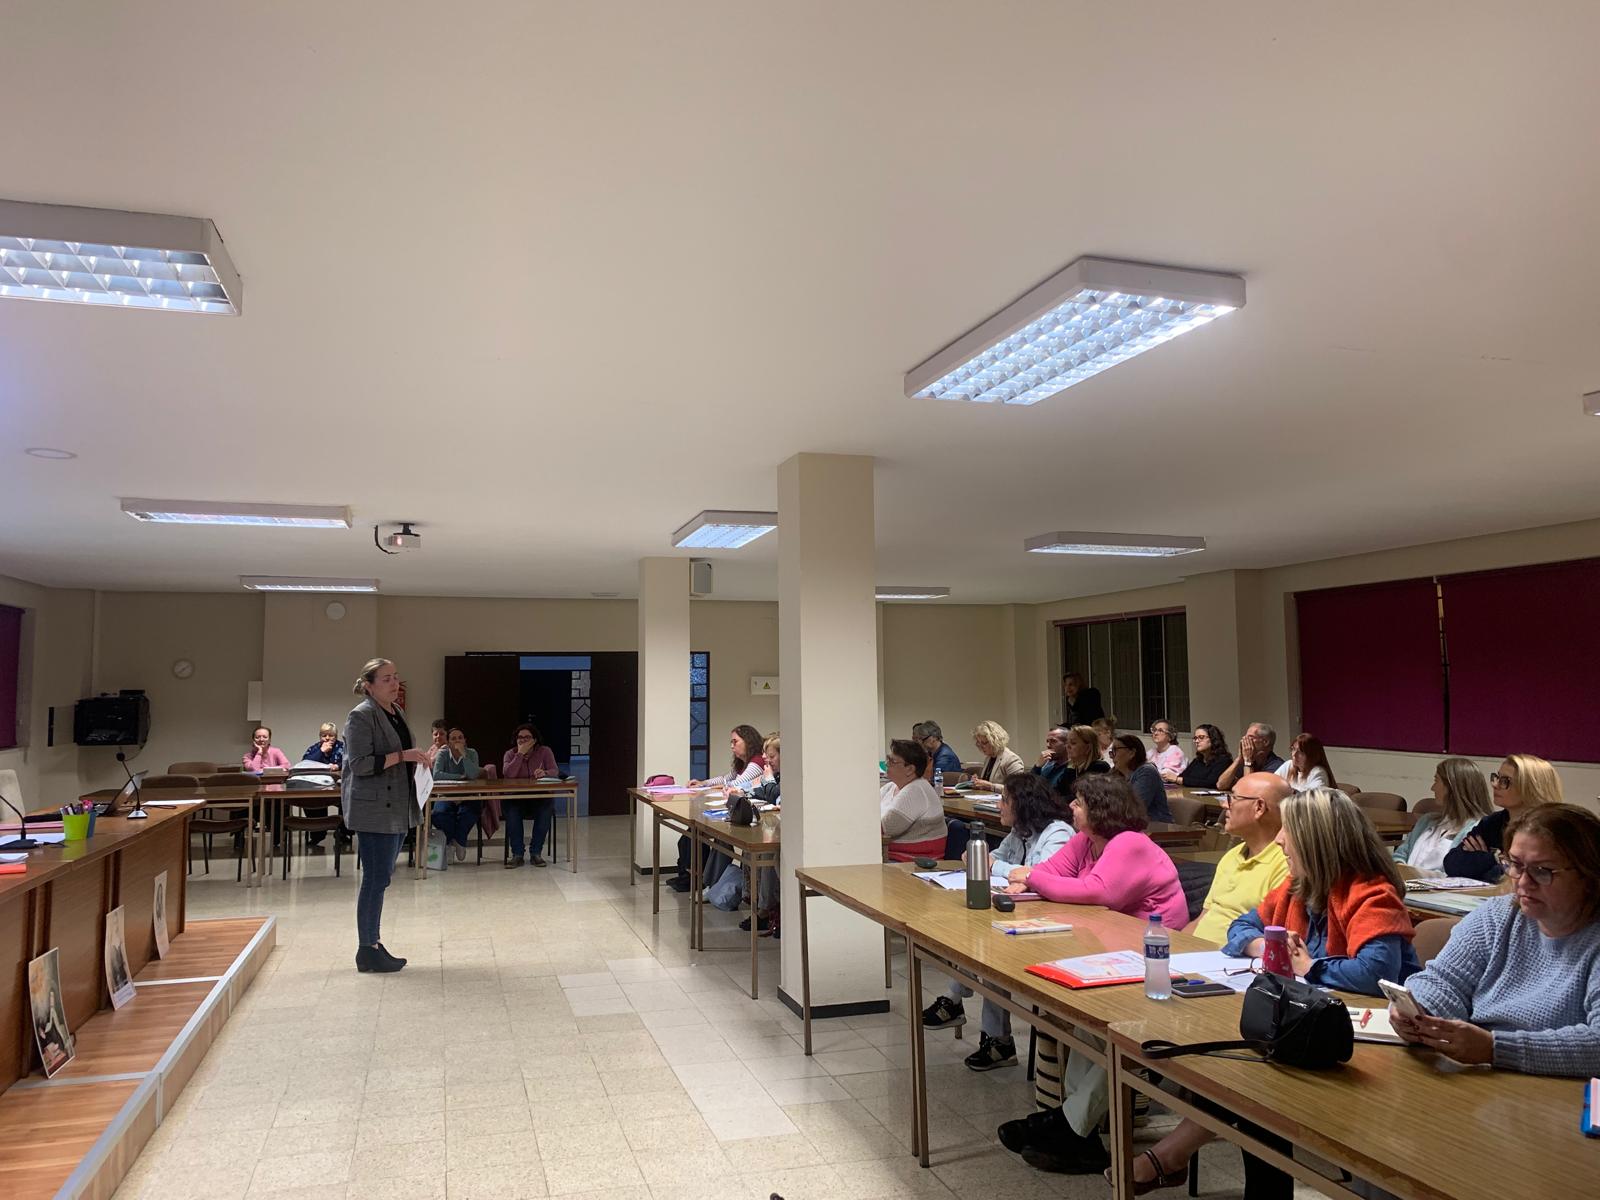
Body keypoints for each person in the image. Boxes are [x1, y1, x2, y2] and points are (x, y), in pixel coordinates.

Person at [1129, 788, 1419, 1194]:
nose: (1280, 840)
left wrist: (1310, 966)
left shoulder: (1371, 893)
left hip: (1373, 1041)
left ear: (1316, 841)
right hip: (1312, 1024)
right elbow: (1241, 927)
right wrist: (1262, 944)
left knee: (1253, 1070)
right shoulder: (1297, 887)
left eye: (1289, 832)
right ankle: (1191, 1165)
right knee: (1251, 1064)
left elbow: (1373, 973)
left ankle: (1173, 1159)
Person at [996, 774, 1187, 1174]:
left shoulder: (1130, 843)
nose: (1071, 808)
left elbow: (1097, 891)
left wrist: (1033, 878)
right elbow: (1049, 870)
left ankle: (1069, 1126)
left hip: (1155, 960)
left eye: (1079, 802)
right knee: (1086, 1028)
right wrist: (1037, 877)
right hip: (1109, 950)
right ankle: (1074, 1126)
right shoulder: (1086, 841)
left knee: (1117, 1035)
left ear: (1101, 809)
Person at [1394, 802, 1600, 1076]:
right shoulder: (1498, 915)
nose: (1522, 883)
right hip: (1480, 1073)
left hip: (1559, 1090)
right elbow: (1442, 981)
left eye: (1542, 871)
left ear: (1588, 874)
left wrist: (1495, 1048)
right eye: (1514, 864)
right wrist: (1418, 1012)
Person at [921, 773, 1073, 1070]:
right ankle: (992, 1036)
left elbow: (1037, 875)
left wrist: (995, 865)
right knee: (980, 942)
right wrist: (978, 858)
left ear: (1024, 804)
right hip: (1021, 914)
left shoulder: (1058, 833)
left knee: (989, 947)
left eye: (1005, 800)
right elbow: (998, 859)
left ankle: (960, 1007)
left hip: (1052, 924)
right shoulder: (1020, 831)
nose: (999, 806)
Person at [343, 657, 433, 974]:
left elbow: (401, 755)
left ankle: (373, 944)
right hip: (373, 809)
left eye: (396, 677)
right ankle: (367, 949)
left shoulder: (395, 712)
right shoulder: (361, 715)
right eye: (386, 679)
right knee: (375, 879)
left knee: (382, 878)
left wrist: (419, 759)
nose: (395, 683)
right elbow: (360, 764)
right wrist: (403, 756)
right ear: (369, 686)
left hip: (396, 806)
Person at [1191, 773, 1290, 943]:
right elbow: (1204, 917)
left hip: (1233, 955)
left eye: (1233, 798)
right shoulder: (1232, 855)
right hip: (1195, 951)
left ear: (1259, 807)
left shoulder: (1286, 864)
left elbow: (1273, 938)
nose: (1224, 805)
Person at [1443, 753, 1565, 881]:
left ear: (1531, 788)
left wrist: (1481, 864)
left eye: (1505, 781)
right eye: (1497, 777)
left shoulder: (1549, 829)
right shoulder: (1492, 822)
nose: (1495, 785)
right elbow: (1451, 864)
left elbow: (1518, 876)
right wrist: (1495, 857)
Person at [676, 725, 768, 892]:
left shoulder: (756, 762)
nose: (732, 746)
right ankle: (702, 879)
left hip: (753, 818)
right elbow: (726, 778)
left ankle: (706, 881)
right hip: (737, 811)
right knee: (698, 834)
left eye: (735, 742)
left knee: (718, 837)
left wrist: (715, 786)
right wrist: (703, 783)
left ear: (748, 741)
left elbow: (735, 784)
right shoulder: (742, 763)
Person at [1392, 757, 1496, 876]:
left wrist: (1414, 875)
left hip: (1437, 887)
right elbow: (1400, 855)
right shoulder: (1426, 821)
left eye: (1436, 781)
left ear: (1453, 787)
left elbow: (1459, 875)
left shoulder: (1476, 830)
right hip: (1405, 883)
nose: (1432, 788)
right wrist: (1400, 869)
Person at [502, 723, 559, 868]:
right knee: (511, 810)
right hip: (516, 796)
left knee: (546, 806)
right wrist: (520, 754)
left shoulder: (545, 751)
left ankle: (536, 853)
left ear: (534, 740)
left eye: (527, 737)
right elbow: (508, 774)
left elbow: (555, 771)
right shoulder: (510, 754)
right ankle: (517, 854)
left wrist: (545, 773)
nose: (523, 740)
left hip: (539, 796)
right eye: (520, 737)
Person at [880, 738, 945, 861]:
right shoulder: (890, 787)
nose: (887, 764)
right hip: (889, 855)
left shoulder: (916, 790)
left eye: (892, 761)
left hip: (915, 862)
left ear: (910, 769)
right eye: (888, 759)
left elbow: (885, 829)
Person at [430, 727, 483, 862]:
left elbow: (473, 775)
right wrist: (459, 777)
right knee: (439, 813)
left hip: (469, 796)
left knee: (469, 812)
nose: (457, 741)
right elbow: (437, 775)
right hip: (446, 795)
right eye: (453, 738)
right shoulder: (443, 754)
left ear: (465, 740)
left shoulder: (472, 753)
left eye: (460, 738)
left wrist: (464, 755)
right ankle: (451, 841)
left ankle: (459, 841)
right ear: (448, 743)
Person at [1033, 725, 1108, 801]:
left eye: (1073, 743)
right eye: (1067, 743)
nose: (1068, 746)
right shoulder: (1072, 768)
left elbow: (1082, 798)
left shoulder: (1099, 767)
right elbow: (1057, 791)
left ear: (1088, 747)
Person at [1110, 734, 1173, 822]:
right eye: (1111, 751)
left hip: (1156, 826)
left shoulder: (1147, 772)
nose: (1112, 756)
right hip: (1127, 824)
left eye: (1115, 750)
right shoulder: (1115, 773)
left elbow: (1133, 809)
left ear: (1131, 753)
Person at [1215, 722, 1284, 790]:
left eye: (1250, 737)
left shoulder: (1277, 766)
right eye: (1245, 737)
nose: (1244, 741)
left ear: (1265, 742)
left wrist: (1248, 761)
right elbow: (1221, 785)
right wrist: (1239, 759)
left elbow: (1249, 790)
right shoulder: (1245, 761)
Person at [967, 720, 1026, 790]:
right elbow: (988, 781)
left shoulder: (1012, 759)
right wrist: (978, 781)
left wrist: (991, 786)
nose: (981, 747)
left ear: (995, 741)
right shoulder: (988, 758)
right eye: (979, 743)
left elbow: (1016, 789)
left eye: (984, 743)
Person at [1179, 723, 1231, 790]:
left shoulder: (1223, 760)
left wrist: (1180, 780)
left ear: (1213, 739)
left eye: (1201, 737)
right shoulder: (1197, 761)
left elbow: (1211, 783)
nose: (1196, 741)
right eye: (1195, 738)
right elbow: (1183, 776)